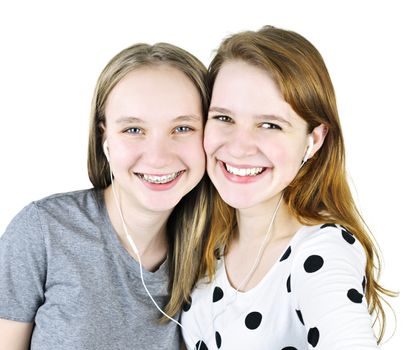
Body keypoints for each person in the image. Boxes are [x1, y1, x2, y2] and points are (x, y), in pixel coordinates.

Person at [181, 26, 395, 349]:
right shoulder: (209, 242)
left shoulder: (320, 252)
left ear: (314, 140)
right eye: (224, 118)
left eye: (270, 125)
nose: (240, 147)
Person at [0, 42, 212, 350]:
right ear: (105, 138)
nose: (158, 157)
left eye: (182, 128)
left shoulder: (216, 249)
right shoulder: (43, 231)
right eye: (133, 130)